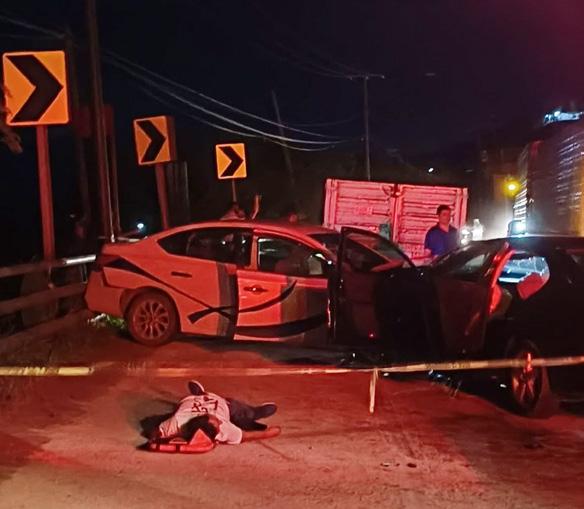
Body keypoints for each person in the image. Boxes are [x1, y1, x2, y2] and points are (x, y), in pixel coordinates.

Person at [147, 380, 280, 453]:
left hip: (201, 400)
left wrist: (156, 439)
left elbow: (156, 431)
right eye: (218, 424)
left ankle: (201, 393)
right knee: (238, 414)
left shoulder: (178, 421)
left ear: (204, 416)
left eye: (216, 421)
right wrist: (269, 433)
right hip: (224, 405)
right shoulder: (224, 429)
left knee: (239, 409)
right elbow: (246, 436)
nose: (220, 423)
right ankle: (253, 413)